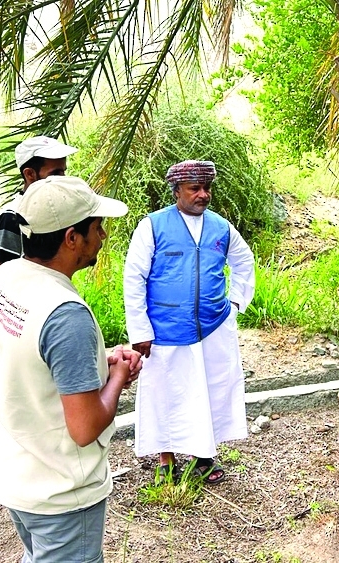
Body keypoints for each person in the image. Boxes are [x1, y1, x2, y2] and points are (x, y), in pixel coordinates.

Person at [0, 175, 140, 563]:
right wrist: (118, 375)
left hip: (16, 472)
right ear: (72, 238)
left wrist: (94, 361)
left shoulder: (6, 278)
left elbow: (31, 358)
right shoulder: (66, 316)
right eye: (96, 227)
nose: (102, 235)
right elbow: (85, 428)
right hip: (60, 495)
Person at [123, 160, 255, 484]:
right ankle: (166, 460)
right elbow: (133, 278)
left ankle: (203, 458)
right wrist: (140, 330)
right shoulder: (152, 226)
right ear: (177, 190)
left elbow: (244, 261)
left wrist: (236, 303)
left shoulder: (221, 228)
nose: (203, 195)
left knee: (208, 390)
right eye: (194, 188)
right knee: (165, 393)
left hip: (212, 327)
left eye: (206, 188)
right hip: (164, 330)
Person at [0, 135, 78, 272]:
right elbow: (5, 278)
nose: (62, 179)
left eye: (63, 172)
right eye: (56, 173)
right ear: (30, 174)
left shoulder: (50, 211)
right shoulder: (11, 217)